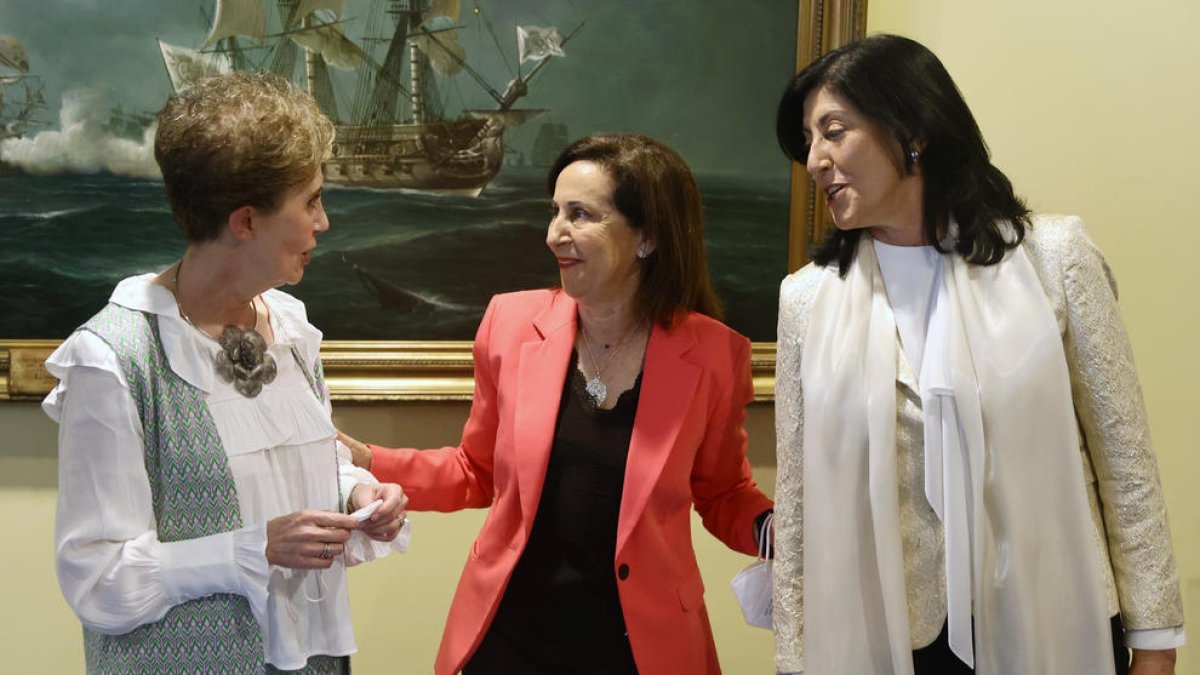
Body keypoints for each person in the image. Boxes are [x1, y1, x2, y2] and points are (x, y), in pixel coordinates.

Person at [770, 34, 1184, 675]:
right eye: (808, 141)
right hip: (886, 639)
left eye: (834, 131)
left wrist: (1156, 636)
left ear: (913, 128)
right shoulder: (807, 301)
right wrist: (794, 660)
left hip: (1056, 619)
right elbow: (797, 510)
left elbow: (1125, 463)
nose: (816, 160)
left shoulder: (1054, 258)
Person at [338, 133, 774, 675]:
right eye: (554, 213)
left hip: (640, 646)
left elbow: (724, 492)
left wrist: (781, 532)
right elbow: (476, 471)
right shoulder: (510, 322)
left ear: (648, 237)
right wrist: (368, 461)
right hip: (511, 637)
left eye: (580, 214)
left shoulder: (713, 355)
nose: (554, 235)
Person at [44, 71, 409, 674]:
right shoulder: (112, 359)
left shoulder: (289, 327)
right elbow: (96, 577)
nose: (324, 223)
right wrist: (251, 550)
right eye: (311, 201)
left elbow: (275, 464)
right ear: (245, 222)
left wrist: (352, 491)